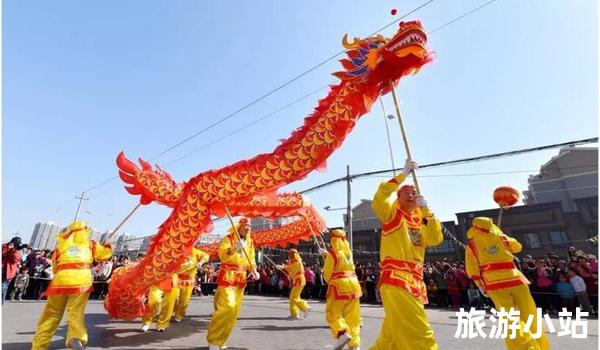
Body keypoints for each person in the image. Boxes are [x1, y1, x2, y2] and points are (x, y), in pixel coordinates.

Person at [369, 159, 443, 350]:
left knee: (390, 340)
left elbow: (435, 238)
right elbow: (379, 197)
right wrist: (403, 175)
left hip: (416, 281)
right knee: (419, 334)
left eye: (414, 193)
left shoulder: (420, 223)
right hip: (397, 280)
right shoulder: (392, 215)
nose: (411, 195)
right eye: (406, 192)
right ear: (398, 198)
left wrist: (429, 213)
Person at [465, 217, 549, 350]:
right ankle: (541, 346)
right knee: (529, 314)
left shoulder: (472, 245)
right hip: (515, 279)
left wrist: (480, 284)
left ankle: (526, 348)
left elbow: (472, 268)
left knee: (510, 319)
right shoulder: (501, 237)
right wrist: (505, 238)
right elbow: (518, 247)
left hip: (495, 283)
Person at [31, 221, 113, 350]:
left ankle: (39, 345)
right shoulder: (91, 244)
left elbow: (55, 266)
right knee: (75, 312)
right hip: (81, 282)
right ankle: (75, 337)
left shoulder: (62, 246)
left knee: (51, 314)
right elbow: (105, 255)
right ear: (85, 231)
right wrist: (107, 245)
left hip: (60, 281)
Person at [206, 217, 259, 350]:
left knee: (233, 312)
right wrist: (234, 248)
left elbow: (251, 260)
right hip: (228, 277)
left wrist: (254, 270)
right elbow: (222, 255)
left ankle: (222, 341)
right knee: (227, 307)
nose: (248, 228)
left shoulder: (250, 242)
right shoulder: (228, 239)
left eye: (249, 227)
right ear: (239, 226)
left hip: (241, 279)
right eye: (246, 226)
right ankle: (213, 340)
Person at [320, 229, 362, 350]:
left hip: (339, 286)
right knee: (353, 318)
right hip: (354, 286)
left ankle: (342, 333)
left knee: (333, 314)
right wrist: (326, 255)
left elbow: (327, 274)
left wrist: (327, 257)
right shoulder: (348, 253)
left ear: (333, 239)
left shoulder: (333, 253)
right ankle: (355, 345)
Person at [174, 245, 209, 322]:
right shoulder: (177, 250)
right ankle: (172, 311)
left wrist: (201, 262)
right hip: (177, 279)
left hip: (188, 280)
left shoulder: (195, 251)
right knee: (175, 298)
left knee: (184, 300)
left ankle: (179, 315)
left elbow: (206, 256)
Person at [276, 249, 310, 319]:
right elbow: (292, 270)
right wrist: (285, 270)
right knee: (293, 297)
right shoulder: (296, 261)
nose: (289, 256)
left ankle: (305, 307)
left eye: (290, 254)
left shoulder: (296, 262)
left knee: (293, 297)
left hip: (298, 280)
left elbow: (291, 268)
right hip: (297, 280)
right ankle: (294, 313)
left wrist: (282, 267)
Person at [2, 236, 22, 303]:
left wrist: (14, 251)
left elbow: (16, 260)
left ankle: (1, 302)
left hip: (9, 272)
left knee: (3, 287)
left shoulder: (16, 252)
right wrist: (8, 247)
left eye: (16, 244)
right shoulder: (6, 247)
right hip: (3, 269)